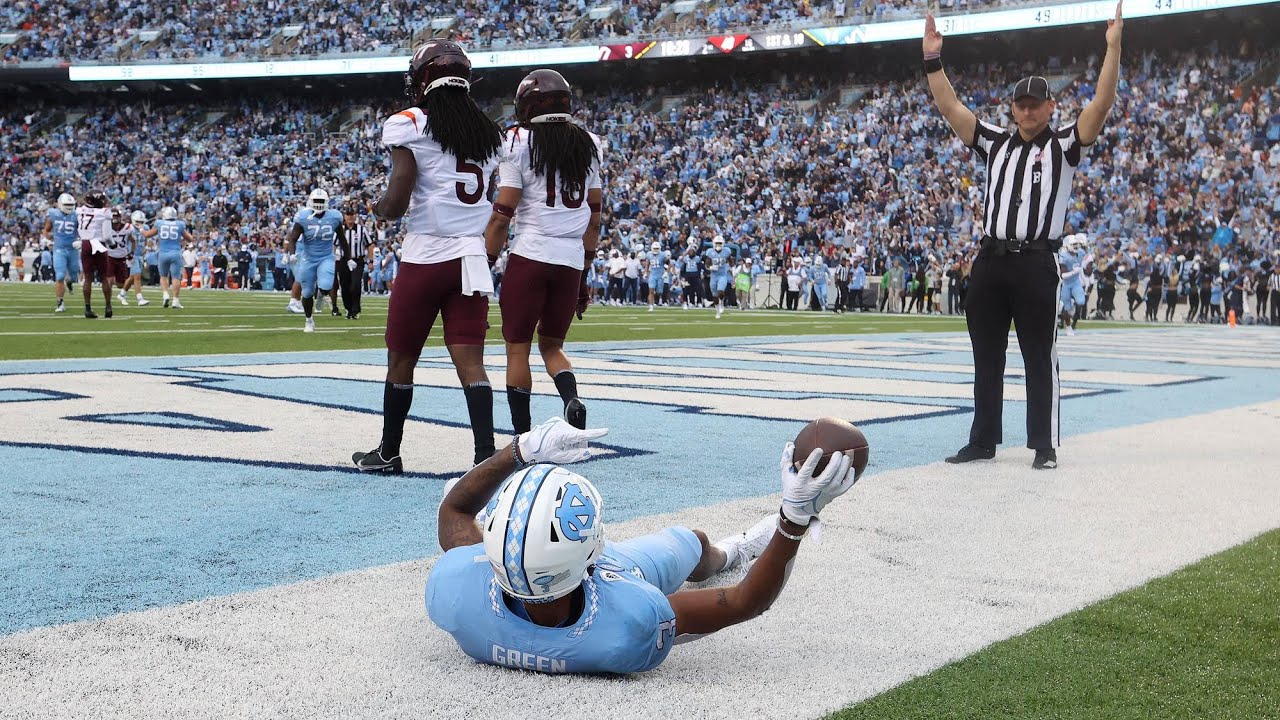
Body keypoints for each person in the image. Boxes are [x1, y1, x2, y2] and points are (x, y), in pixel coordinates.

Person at [427, 417, 860, 674]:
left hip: (563, 574)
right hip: (617, 573)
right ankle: (736, 550)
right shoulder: (630, 621)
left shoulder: (458, 593)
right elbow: (745, 601)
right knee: (693, 544)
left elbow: (454, 515)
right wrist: (792, 521)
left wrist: (517, 452)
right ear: (590, 554)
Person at [925, 1, 1124, 470]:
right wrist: (933, 59)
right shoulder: (995, 142)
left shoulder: (1065, 145)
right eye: (1021, 103)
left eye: (1036, 103)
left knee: (1039, 356)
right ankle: (983, 440)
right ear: (1013, 108)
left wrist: (1112, 49)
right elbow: (950, 108)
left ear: (1051, 107)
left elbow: (1101, 105)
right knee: (986, 354)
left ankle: (1044, 445)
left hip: (1037, 261)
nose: (1028, 110)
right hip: (992, 260)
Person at [351, 40, 505, 474]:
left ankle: (388, 452)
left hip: (425, 254)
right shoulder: (490, 133)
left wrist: (381, 211)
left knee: (401, 358)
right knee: (472, 363)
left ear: (422, 80)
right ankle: (483, 458)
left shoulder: (409, 123)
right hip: (470, 258)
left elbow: (399, 193)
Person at [483, 68, 602, 436]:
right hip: (569, 260)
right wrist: (583, 273)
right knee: (552, 345)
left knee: (517, 348)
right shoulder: (590, 143)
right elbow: (594, 219)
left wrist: (484, 261)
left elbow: (504, 213)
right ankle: (570, 399)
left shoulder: (516, 141)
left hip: (531, 253)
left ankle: (523, 434)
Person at [284, 189, 343, 333]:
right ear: (311, 201)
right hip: (308, 258)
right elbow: (292, 237)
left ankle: (321, 295)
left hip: (326, 256)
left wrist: (347, 258)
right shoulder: (303, 216)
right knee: (307, 292)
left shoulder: (334, 217)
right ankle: (309, 320)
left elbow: (342, 239)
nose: (318, 204)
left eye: (321, 201)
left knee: (326, 285)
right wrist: (291, 254)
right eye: (316, 201)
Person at [138, 206, 194, 309]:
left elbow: (147, 235)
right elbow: (190, 239)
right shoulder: (180, 224)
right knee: (176, 277)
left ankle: (165, 294)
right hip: (176, 253)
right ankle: (175, 300)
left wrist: (141, 229)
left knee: (163, 276)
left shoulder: (159, 223)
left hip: (163, 253)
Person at [76, 190, 114, 319]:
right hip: (98, 243)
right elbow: (108, 236)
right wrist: (112, 244)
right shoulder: (104, 212)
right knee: (104, 277)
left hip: (85, 243)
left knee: (88, 278)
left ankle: (87, 308)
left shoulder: (79, 210)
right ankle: (108, 306)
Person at [44, 193, 81, 313]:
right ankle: (60, 302)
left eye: (71, 204)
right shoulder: (53, 214)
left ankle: (69, 282)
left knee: (74, 275)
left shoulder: (77, 215)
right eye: (67, 204)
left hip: (73, 249)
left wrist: (80, 240)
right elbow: (46, 230)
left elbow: (82, 230)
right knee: (59, 275)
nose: (69, 207)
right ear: (60, 204)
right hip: (59, 249)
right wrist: (48, 237)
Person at [337, 208, 374, 319]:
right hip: (343, 260)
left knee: (355, 285)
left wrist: (371, 261)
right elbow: (333, 245)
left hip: (358, 260)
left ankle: (355, 310)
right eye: (348, 215)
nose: (350, 217)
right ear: (344, 217)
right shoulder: (340, 230)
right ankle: (348, 309)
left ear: (355, 216)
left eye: (352, 215)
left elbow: (370, 245)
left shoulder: (362, 230)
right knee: (344, 286)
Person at [117, 210, 151, 306]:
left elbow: (146, 239)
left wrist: (145, 249)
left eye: (141, 222)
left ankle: (122, 294)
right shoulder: (129, 228)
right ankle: (140, 298)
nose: (139, 224)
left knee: (132, 277)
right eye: (138, 221)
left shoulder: (146, 227)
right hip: (131, 255)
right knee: (137, 276)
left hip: (140, 255)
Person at [1058, 234, 1087, 336]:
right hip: (1066, 284)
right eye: (1073, 244)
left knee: (1081, 301)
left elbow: (1082, 265)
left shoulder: (1081, 253)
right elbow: (1062, 275)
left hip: (1075, 283)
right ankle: (1068, 327)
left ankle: (1073, 303)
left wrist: (1084, 280)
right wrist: (1074, 272)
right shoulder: (1064, 256)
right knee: (1067, 308)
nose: (1076, 247)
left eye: (1077, 244)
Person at [704, 236, 734, 319]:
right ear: (714, 243)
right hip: (713, 276)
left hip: (722, 275)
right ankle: (717, 311)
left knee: (720, 292)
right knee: (714, 296)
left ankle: (722, 301)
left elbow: (731, 262)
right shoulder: (710, 252)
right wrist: (711, 268)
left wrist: (733, 271)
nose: (718, 245)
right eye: (717, 243)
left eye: (719, 243)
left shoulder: (726, 251)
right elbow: (707, 264)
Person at [645, 241, 669, 311]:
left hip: (660, 275)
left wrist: (666, 272)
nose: (655, 250)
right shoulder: (649, 254)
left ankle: (658, 299)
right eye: (654, 248)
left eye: (657, 248)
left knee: (659, 292)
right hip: (652, 274)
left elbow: (669, 264)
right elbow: (647, 263)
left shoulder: (662, 255)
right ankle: (651, 306)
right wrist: (646, 272)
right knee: (651, 291)